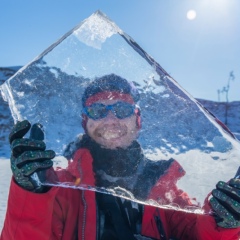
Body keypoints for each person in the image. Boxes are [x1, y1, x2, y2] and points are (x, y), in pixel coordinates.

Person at [1, 74, 240, 240]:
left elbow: (197, 234)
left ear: (137, 121)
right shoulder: (60, 187)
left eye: (122, 109)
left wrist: (221, 221)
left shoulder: (166, 191)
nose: (110, 120)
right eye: (97, 110)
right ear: (86, 123)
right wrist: (30, 193)